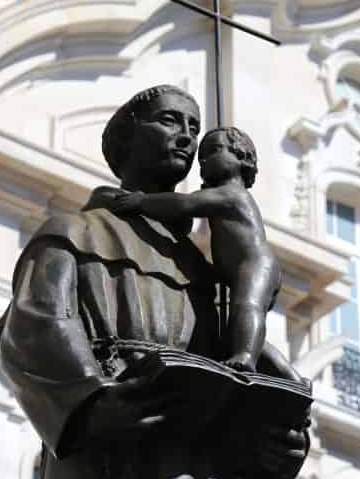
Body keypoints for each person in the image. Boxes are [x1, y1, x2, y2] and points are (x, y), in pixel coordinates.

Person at [0, 85, 308, 479]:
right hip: (104, 469)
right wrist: (90, 403)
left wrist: (273, 440)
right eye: (169, 120)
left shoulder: (204, 269)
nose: (186, 137)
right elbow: (31, 329)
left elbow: (235, 379)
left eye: (194, 128)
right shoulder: (73, 232)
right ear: (128, 137)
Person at [110, 126, 285, 374]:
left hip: (256, 265)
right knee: (236, 327)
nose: (204, 160)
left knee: (246, 308)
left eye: (214, 151)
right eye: (202, 156)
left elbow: (185, 204)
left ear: (242, 157)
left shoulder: (233, 194)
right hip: (240, 269)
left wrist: (141, 202)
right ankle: (288, 374)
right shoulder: (221, 195)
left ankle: (245, 356)